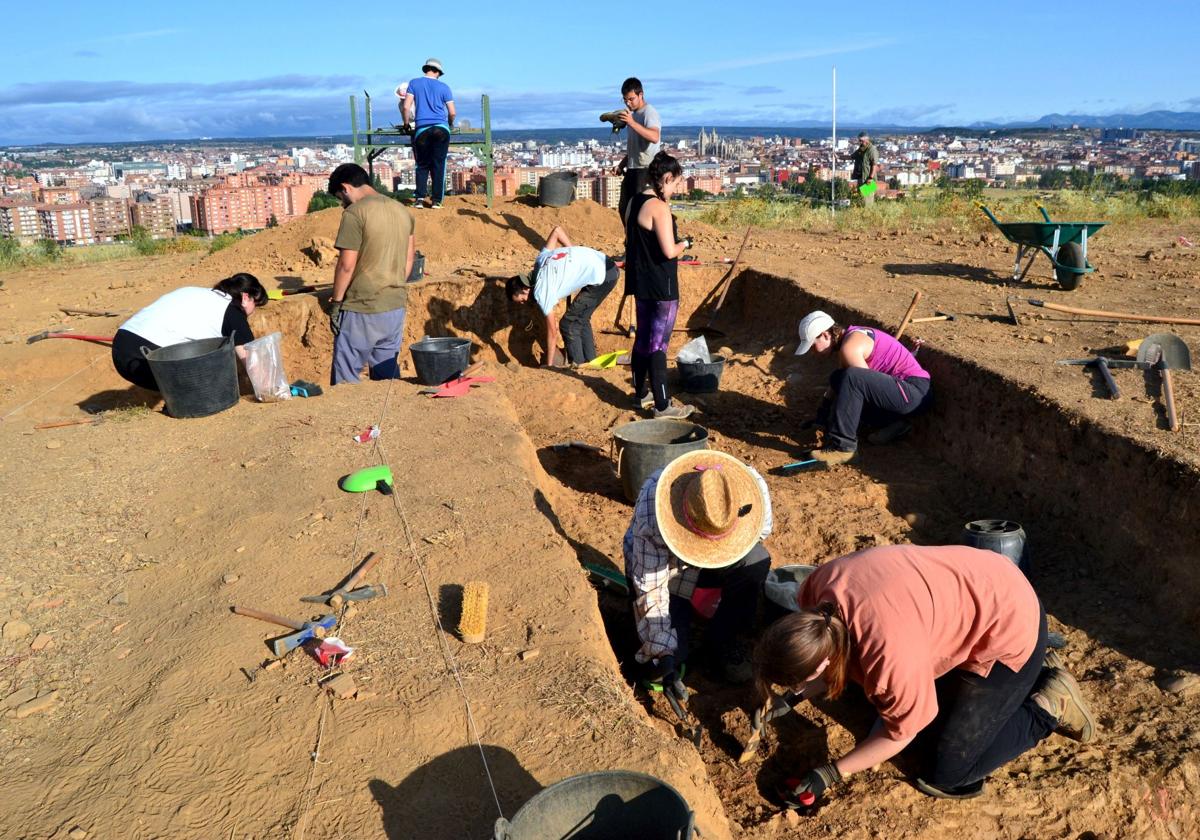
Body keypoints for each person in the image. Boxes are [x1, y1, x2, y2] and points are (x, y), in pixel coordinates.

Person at [753, 544, 1095, 807]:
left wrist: (829, 773)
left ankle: (1048, 704)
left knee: (946, 773)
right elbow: (829, 661)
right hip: (980, 586)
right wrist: (791, 699)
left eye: (798, 680)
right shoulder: (818, 590)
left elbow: (901, 732)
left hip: (1009, 627)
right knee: (873, 697)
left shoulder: (889, 657)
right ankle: (1025, 679)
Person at [625, 449, 773, 687]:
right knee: (670, 657)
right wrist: (662, 651)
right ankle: (678, 632)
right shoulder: (655, 507)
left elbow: (760, 534)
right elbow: (651, 587)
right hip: (666, 569)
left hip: (714, 562)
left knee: (755, 560)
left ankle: (724, 639)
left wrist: (716, 554)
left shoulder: (753, 491)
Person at [794, 310, 932, 465]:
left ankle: (843, 447)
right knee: (838, 378)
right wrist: (823, 416)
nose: (813, 352)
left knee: (852, 377)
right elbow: (842, 387)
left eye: (813, 346)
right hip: (903, 394)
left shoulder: (849, 347)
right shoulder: (849, 340)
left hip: (913, 393)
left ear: (826, 335)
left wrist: (836, 420)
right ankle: (894, 424)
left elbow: (859, 385)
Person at [326, 163, 415, 385]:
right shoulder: (402, 210)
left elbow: (346, 265)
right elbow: (409, 259)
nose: (341, 204)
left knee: (346, 377)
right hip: (395, 305)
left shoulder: (355, 213)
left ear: (346, 187)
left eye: (340, 197)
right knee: (386, 375)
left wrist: (336, 303)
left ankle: (346, 420)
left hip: (362, 306)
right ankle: (388, 419)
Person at [625, 150, 694, 419]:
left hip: (640, 280)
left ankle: (640, 393)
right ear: (665, 179)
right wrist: (685, 244)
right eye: (676, 184)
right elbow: (668, 251)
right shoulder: (659, 208)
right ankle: (663, 406)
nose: (676, 190)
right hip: (661, 285)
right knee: (658, 344)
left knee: (643, 338)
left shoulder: (634, 203)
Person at [112, 273, 267, 391]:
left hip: (121, 347)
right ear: (246, 297)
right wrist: (269, 388)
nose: (253, 311)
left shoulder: (196, 292)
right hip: (149, 358)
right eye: (256, 303)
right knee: (212, 383)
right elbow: (250, 358)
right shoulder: (233, 311)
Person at [505, 225, 619, 366]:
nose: (523, 303)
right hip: (607, 265)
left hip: (604, 277)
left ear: (525, 290)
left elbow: (553, 333)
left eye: (521, 300)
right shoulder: (540, 260)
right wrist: (573, 254)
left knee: (568, 323)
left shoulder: (542, 291)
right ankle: (592, 362)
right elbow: (557, 231)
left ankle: (579, 366)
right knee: (580, 318)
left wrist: (550, 364)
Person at [404, 58, 455, 209]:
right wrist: (450, 124)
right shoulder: (444, 87)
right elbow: (452, 112)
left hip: (422, 129)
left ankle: (419, 199)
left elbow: (406, 107)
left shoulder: (414, 83)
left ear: (425, 69)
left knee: (422, 164)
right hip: (441, 128)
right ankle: (436, 201)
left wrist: (407, 124)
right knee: (439, 164)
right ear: (438, 72)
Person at [614, 77, 662, 221]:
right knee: (625, 209)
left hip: (646, 170)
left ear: (641, 94)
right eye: (625, 100)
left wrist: (631, 123)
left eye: (631, 99)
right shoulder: (633, 115)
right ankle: (630, 241)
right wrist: (622, 165)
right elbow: (635, 148)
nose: (628, 103)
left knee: (640, 211)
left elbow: (654, 136)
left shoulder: (649, 112)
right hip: (633, 169)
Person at [849, 131, 879, 205]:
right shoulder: (861, 150)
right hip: (861, 179)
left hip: (868, 180)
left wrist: (870, 178)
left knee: (867, 202)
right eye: (859, 141)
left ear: (867, 140)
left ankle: (868, 216)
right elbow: (851, 157)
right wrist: (839, 157)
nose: (860, 142)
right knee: (861, 200)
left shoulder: (872, 150)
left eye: (861, 141)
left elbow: (874, 165)